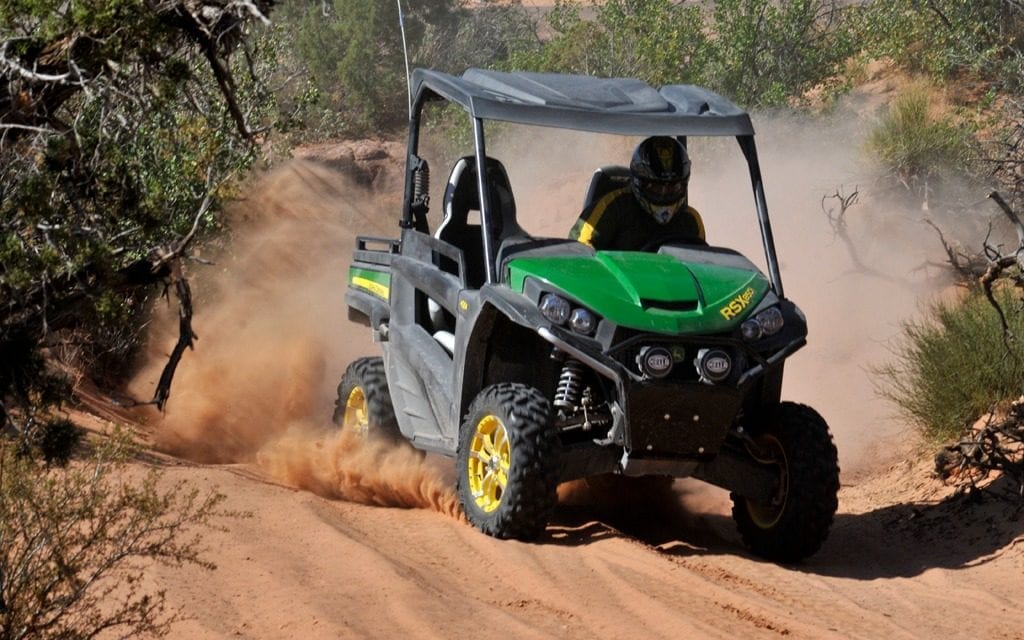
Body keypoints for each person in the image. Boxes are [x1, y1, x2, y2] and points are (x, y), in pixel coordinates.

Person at [570, 136, 704, 251]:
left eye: (673, 187)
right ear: (640, 182)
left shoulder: (691, 220)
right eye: (656, 187)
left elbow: (703, 264)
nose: (663, 193)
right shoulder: (613, 208)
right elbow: (576, 251)